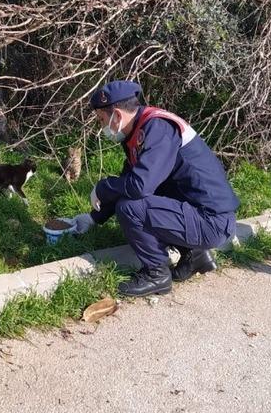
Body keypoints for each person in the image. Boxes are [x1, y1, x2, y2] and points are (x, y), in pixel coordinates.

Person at [69, 80, 240, 297]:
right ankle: (196, 255)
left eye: (102, 120)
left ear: (118, 116)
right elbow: (129, 180)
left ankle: (156, 274)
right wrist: (94, 218)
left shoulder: (158, 129)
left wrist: (102, 187)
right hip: (201, 214)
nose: (102, 127)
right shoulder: (141, 129)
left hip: (212, 222)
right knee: (136, 195)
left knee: (130, 207)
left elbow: (139, 186)